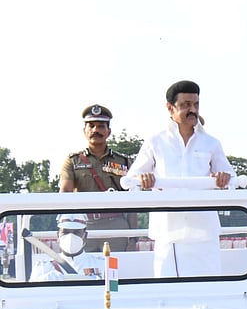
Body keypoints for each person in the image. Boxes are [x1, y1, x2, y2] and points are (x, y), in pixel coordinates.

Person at [126, 80, 234, 277]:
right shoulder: (156, 141)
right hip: (169, 232)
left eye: (196, 104)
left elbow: (232, 179)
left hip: (204, 232)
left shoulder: (211, 143)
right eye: (185, 105)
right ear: (170, 107)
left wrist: (223, 178)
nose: (192, 110)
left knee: (210, 291)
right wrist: (145, 179)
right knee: (168, 294)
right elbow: (131, 178)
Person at [59, 104, 137, 252]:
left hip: (115, 225)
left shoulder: (123, 162)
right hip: (83, 225)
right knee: (84, 271)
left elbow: (132, 203)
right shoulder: (73, 161)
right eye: (91, 126)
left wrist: (133, 237)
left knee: (116, 271)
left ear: (108, 131)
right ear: (84, 131)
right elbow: (65, 195)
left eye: (101, 126)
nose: (96, 130)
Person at [29, 214, 105, 281]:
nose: (71, 237)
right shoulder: (43, 267)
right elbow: (31, 294)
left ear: (85, 236)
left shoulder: (104, 264)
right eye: (65, 232)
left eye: (76, 232)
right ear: (58, 236)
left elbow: (115, 290)